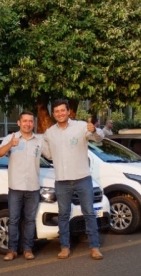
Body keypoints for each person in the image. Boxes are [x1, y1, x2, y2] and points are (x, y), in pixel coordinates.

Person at [41, 99, 104, 260]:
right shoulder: (49, 133)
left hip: (82, 178)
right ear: (54, 114)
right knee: (63, 214)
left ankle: (94, 247)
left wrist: (95, 130)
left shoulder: (81, 126)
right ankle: (64, 247)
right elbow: (48, 155)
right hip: (61, 180)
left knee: (89, 213)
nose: (60, 113)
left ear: (69, 111)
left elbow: (98, 139)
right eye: (57, 111)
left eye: (63, 110)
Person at [0, 111, 44, 261]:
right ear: (19, 122)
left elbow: (50, 155)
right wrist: (11, 144)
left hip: (33, 187)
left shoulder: (39, 141)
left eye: (30, 121)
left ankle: (28, 249)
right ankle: (12, 250)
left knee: (30, 220)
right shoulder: (11, 138)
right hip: (15, 187)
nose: (28, 124)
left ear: (33, 123)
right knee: (14, 219)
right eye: (25, 121)